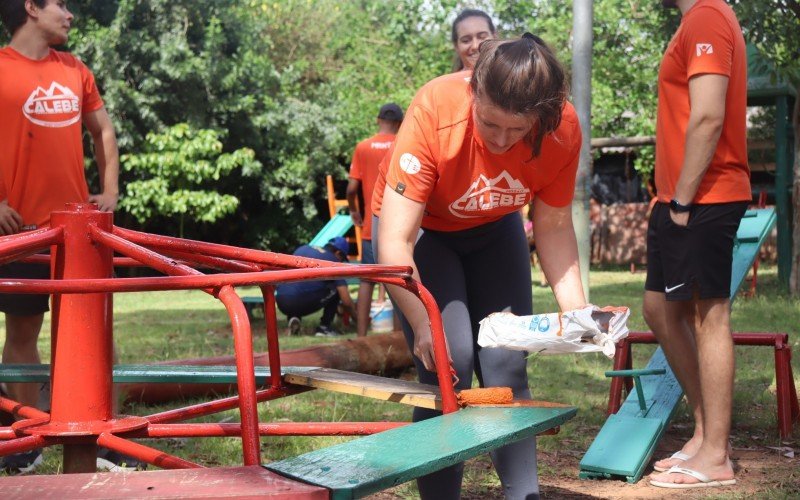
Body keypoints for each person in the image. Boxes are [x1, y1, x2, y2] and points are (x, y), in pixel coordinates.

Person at [372, 34, 586, 499]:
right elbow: (394, 239)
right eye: (490, 124)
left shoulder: (563, 128)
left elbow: (551, 228)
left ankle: (522, 494)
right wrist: (421, 319)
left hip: (493, 225)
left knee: (506, 360)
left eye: (519, 130)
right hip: (419, 232)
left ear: (545, 116)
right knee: (450, 360)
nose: (503, 141)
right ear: (474, 93)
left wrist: (577, 314)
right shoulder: (435, 108)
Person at [0, 0, 120, 473]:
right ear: (31, 7)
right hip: (21, 232)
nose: (70, 14)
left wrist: (108, 191)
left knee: (93, 333)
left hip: (76, 231)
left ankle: (100, 432)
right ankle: (28, 438)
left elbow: (103, 132)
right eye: (61, 4)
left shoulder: (75, 69)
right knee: (24, 330)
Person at [645, 0, 750, 489]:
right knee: (659, 309)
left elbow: (708, 117)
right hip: (676, 197)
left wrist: (683, 200)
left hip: (705, 195)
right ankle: (707, 433)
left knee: (709, 316)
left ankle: (715, 457)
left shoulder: (708, 15)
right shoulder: (693, 20)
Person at [346, 103, 403, 337]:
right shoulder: (403, 144)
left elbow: (351, 188)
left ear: (378, 120)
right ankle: (400, 339)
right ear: (400, 124)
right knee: (400, 281)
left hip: (372, 225)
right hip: (399, 227)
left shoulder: (363, 147)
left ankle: (361, 336)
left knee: (366, 281)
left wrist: (354, 210)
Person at [276, 237, 358, 337]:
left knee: (299, 285)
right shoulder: (333, 261)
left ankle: (294, 317)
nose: (341, 262)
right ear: (338, 253)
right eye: (342, 259)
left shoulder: (304, 248)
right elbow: (346, 301)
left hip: (281, 299)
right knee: (337, 288)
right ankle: (324, 328)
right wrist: (357, 319)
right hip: (299, 301)